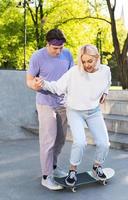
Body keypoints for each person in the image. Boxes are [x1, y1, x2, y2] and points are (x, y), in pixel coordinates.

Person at [41, 44, 111, 187]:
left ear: (97, 58)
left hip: (94, 111)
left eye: (89, 61)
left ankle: (97, 166)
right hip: (75, 111)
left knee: (104, 143)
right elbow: (58, 87)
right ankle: (72, 170)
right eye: (83, 61)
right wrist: (43, 83)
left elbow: (107, 83)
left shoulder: (106, 71)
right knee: (80, 142)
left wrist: (105, 92)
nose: (86, 65)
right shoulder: (74, 72)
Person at [26, 28, 74, 190]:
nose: (58, 51)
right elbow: (29, 81)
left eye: (60, 47)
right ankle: (46, 176)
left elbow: (72, 78)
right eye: (55, 48)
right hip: (45, 103)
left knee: (60, 139)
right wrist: (35, 85)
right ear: (48, 44)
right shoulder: (37, 56)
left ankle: (53, 167)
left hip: (63, 103)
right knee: (48, 141)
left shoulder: (67, 54)